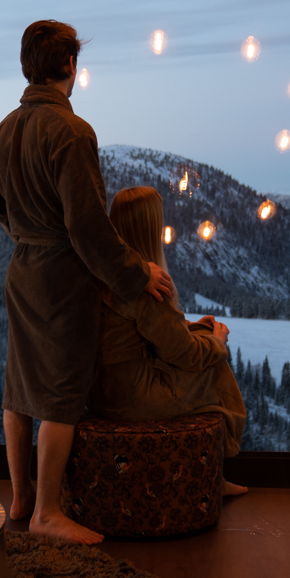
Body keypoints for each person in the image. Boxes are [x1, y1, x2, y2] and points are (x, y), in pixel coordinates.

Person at [0, 20, 173, 545]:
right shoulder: (72, 132)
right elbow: (87, 227)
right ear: (70, 66)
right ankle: (47, 511)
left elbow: (1, 212)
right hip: (63, 276)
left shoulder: (1, 133)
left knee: (19, 388)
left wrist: (30, 237)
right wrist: (138, 275)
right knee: (60, 394)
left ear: (29, 66)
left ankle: (20, 497)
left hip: (21, 269)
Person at [88, 186, 248, 496]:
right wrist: (218, 342)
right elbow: (185, 353)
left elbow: (152, 331)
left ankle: (216, 472)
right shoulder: (147, 282)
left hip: (99, 390)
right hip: (133, 396)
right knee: (215, 363)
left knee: (204, 337)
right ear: (151, 227)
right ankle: (218, 472)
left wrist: (196, 327)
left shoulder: (107, 273)